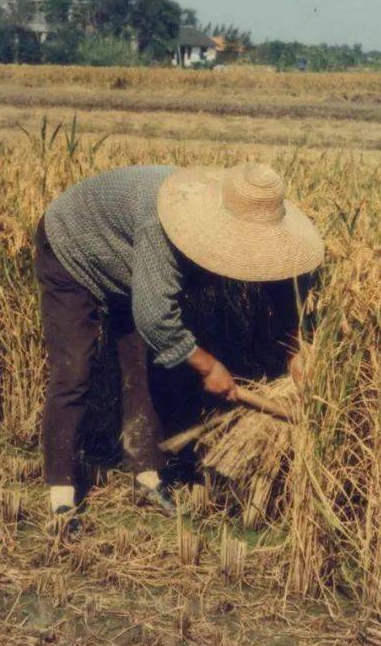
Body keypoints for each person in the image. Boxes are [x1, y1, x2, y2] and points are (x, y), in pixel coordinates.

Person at [33, 163, 324, 532]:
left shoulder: (252, 223)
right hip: (74, 246)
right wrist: (207, 367)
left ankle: (147, 477)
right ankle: (61, 493)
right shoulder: (167, 222)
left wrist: (296, 350)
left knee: (143, 366)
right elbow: (155, 316)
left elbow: (282, 290)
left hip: (132, 262)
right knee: (74, 370)